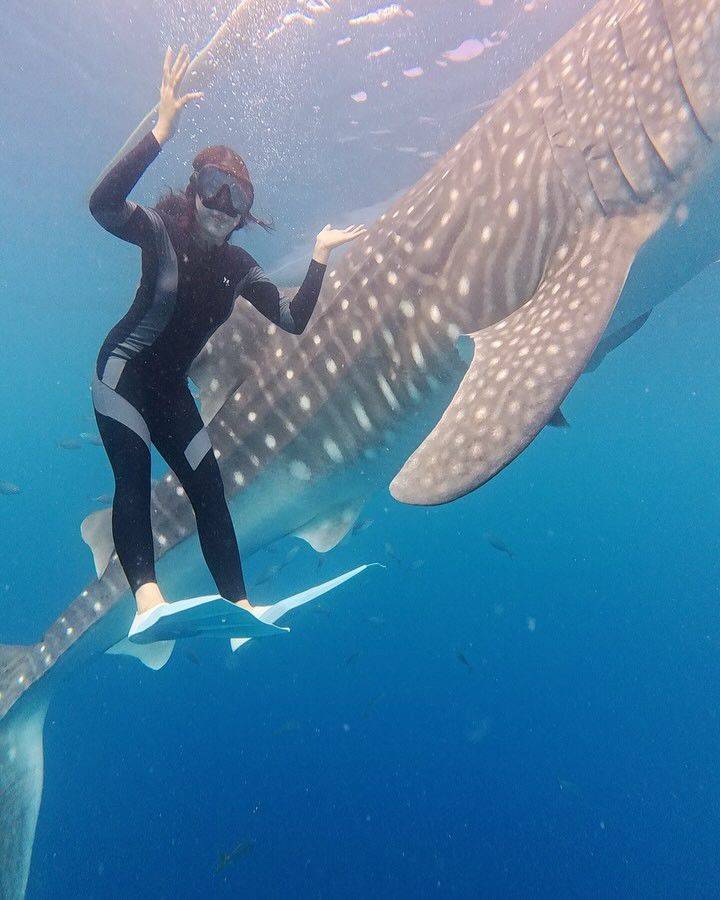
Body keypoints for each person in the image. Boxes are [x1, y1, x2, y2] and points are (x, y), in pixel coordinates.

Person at [89, 45, 366, 633]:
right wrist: (159, 133)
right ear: (194, 189)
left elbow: (292, 321)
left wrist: (317, 257)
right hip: (121, 375)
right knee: (133, 476)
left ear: (245, 214)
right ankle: (147, 605)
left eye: (236, 198)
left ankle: (240, 604)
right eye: (213, 188)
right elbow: (102, 204)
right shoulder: (159, 231)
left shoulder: (240, 267)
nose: (221, 205)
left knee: (211, 493)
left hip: (168, 392)